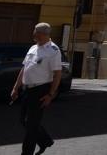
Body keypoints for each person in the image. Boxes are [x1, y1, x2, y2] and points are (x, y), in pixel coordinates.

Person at [10, 22, 62, 155]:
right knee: (24, 120)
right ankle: (45, 140)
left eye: (36, 33)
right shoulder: (33, 48)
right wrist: (16, 88)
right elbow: (24, 68)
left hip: (41, 90)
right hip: (27, 90)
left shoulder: (53, 51)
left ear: (44, 34)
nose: (34, 35)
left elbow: (57, 74)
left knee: (31, 125)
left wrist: (51, 94)